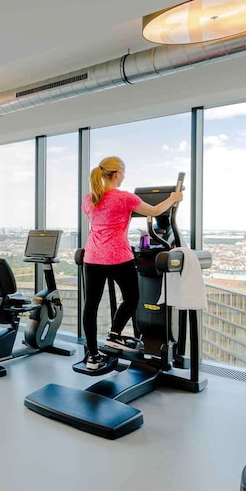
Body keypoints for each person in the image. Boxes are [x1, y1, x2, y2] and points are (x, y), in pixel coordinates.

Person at [80, 156, 183, 371]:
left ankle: (93, 357)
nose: (124, 177)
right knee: (132, 297)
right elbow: (155, 211)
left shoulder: (89, 198)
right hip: (118, 257)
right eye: (123, 173)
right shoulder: (125, 198)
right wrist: (174, 197)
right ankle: (114, 334)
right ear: (117, 174)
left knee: (91, 305)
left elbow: (99, 222)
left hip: (93, 257)